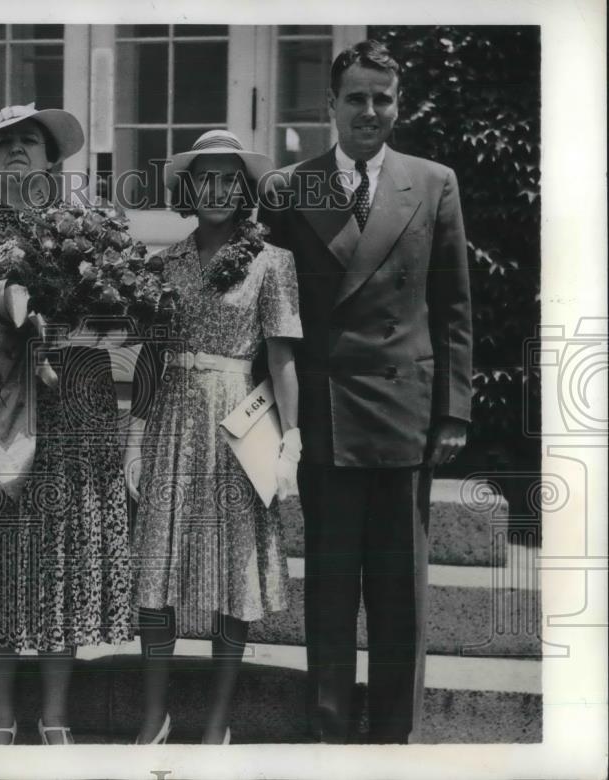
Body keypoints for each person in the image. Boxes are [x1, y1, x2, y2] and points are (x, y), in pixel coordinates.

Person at [257, 40, 473, 743]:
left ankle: (393, 741)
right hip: (327, 415)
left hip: (404, 415)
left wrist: (453, 409)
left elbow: (454, 306)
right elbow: (271, 304)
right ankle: (329, 736)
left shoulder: (432, 182)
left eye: (383, 98)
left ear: (398, 104)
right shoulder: (296, 187)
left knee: (398, 595)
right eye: (357, 98)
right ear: (331, 107)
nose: (370, 111)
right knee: (329, 587)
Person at [0, 103, 132, 746]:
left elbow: (120, 324)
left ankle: (56, 717)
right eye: (3, 141)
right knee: (1, 564)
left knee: (58, 563)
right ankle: (0, 717)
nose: (17, 150)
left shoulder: (89, 229)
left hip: (66, 422)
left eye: (29, 141)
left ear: (51, 159)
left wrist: (66, 348)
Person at [125, 130, 301, 745]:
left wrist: (291, 439)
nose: (219, 189)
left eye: (231, 178)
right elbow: (150, 355)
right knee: (157, 565)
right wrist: (136, 434)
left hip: (239, 422)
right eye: (206, 178)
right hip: (172, 415)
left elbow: (280, 359)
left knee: (234, 570)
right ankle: (155, 715)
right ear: (187, 189)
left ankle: (218, 723)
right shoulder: (162, 263)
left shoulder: (272, 262)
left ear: (246, 189)